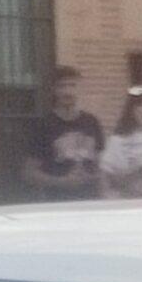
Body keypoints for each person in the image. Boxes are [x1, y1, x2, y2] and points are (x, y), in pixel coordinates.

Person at [22, 67, 104, 201]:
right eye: (62, 86)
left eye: (72, 85)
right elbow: (29, 173)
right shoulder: (43, 125)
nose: (67, 91)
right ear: (54, 90)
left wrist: (97, 183)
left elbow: (100, 165)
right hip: (58, 202)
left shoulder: (92, 122)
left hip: (90, 201)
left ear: (80, 89)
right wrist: (62, 182)